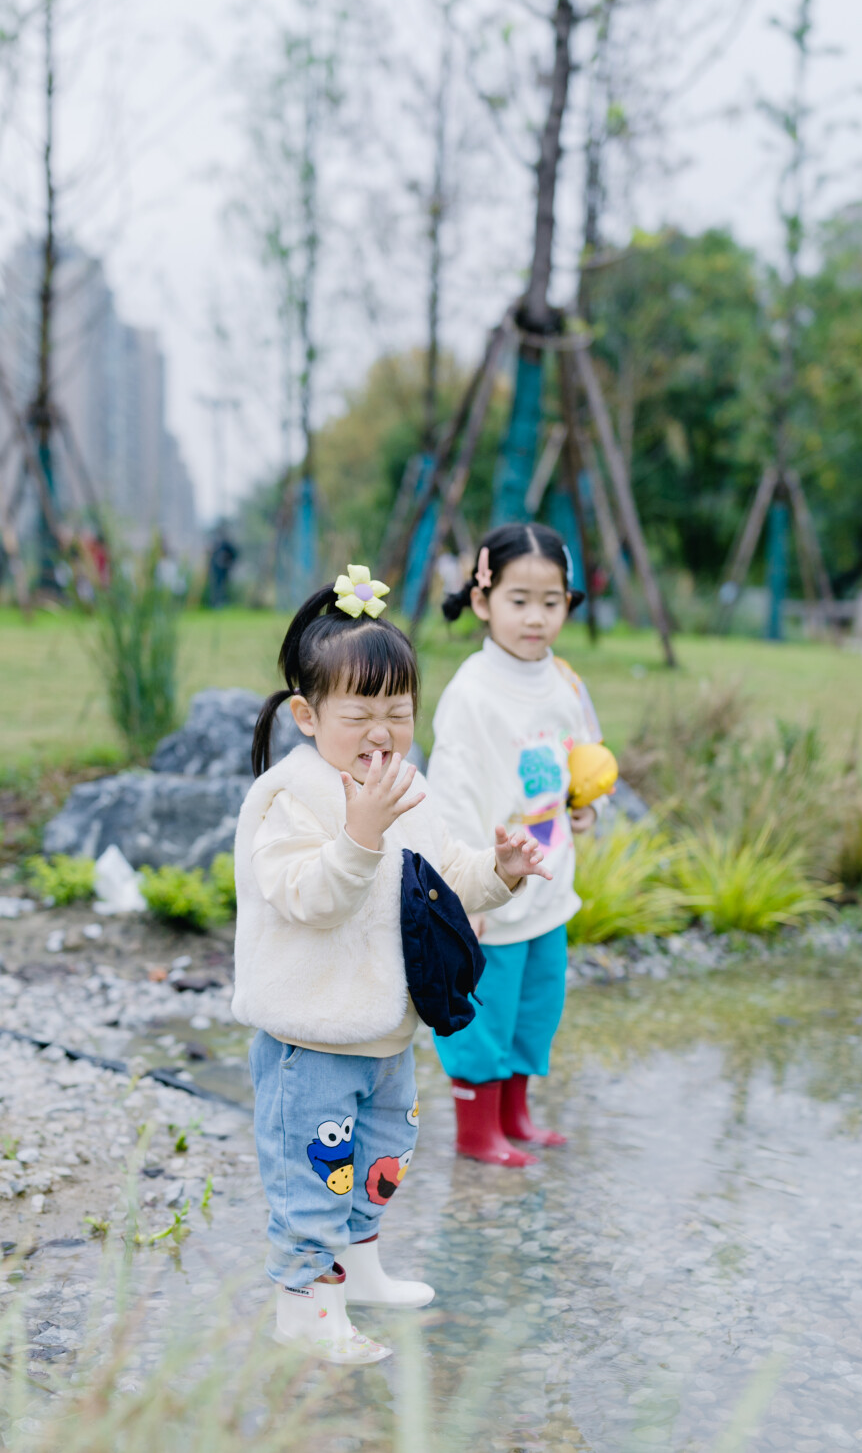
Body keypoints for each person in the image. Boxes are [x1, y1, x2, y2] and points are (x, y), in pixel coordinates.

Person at [232, 565, 551, 1366]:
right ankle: (304, 1311)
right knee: (316, 1181)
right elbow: (308, 896)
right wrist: (361, 831)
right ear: (307, 715)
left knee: (378, 1164)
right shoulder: (289, 796)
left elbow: (445, 880)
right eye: (359, 715)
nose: (381, 733)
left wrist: (503, 870)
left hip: (383, 1032)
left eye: (398, 713)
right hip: (313, 1039)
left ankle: (360, 1272)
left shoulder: (408, 788)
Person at [428, 522, 604, 1168]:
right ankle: (478, 1132)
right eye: (519, 600)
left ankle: (516, 1113)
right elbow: (453, 794)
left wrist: (587, 810)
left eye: (551, 602)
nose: (536, 618)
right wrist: (466, 886)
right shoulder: (472, 694)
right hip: (492, 892)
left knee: (536, 1007)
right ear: (483, 601)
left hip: (550, 881)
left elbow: (583, 756)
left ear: (569, 603)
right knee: (486, 1013)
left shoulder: (563, 682)